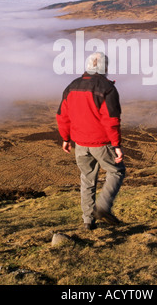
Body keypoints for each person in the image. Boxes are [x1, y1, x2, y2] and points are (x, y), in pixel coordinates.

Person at [56, 51, 125, 230]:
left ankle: (88, 221)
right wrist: (116, 145)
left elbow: (62, 115)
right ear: (105, 67)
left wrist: (65, 138)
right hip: (101, 143)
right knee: (116, 171)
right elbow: (111, 120)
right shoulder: (107, 88)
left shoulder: (72, 86)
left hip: (80, 144)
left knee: (87, 180)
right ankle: (103, 207)